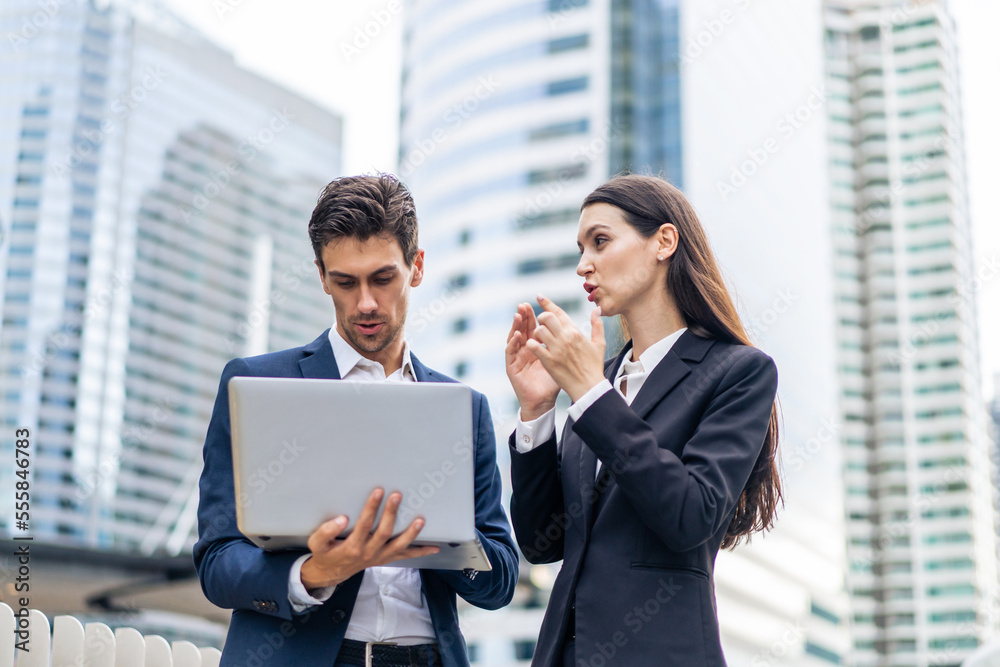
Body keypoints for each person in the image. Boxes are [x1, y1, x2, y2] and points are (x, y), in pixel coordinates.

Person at [194, 173, 518, 667]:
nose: (365, 303)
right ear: (323, 276)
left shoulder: (463, 408)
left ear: (417, 267)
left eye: (382, 278)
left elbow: (501, 581)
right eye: (345, 282)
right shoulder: (259, 387)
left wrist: (436, 544)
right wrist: (313, 572)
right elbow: (218, 562)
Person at [505, 174, 781, 666]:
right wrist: (537, 412)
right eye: (580, 247)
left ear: (664, 242)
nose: (582, 265)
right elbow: (541, 541)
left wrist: (590, 394)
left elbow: (690, 515)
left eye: (601, 241)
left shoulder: (738, 372)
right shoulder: (601, 380)